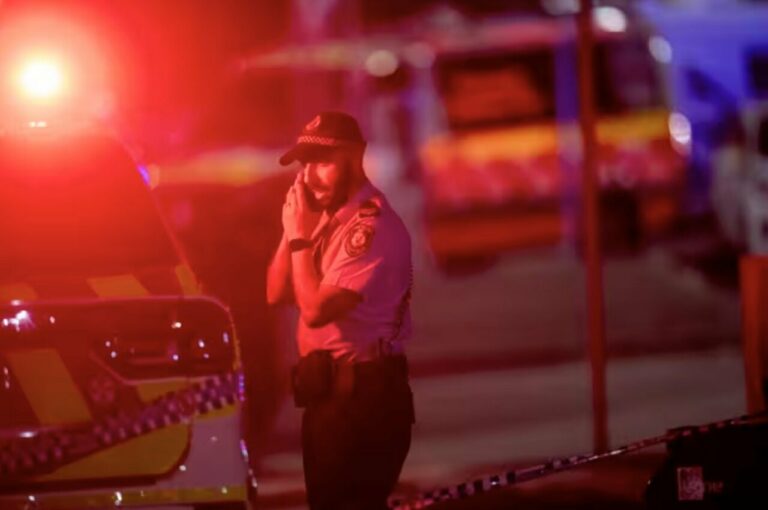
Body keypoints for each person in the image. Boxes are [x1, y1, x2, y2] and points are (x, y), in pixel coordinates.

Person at [266, 111, 415, 510]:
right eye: (305, 165)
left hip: (364, 399)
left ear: (355, 157)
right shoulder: (327, 222)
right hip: (328, 398)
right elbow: (276, 292)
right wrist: (292, 231)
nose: (311, 176)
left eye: (323, 163)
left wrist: (300, 241)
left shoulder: (370, 227)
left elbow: (315, 310)